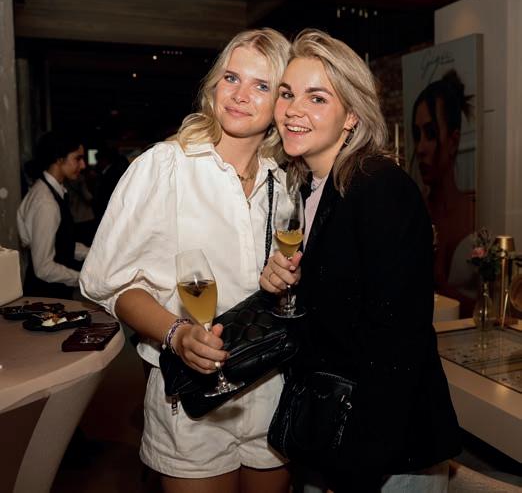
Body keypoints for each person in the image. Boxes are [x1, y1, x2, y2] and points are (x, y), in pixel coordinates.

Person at [80, 28, 293, 493]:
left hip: (271, 385)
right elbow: (110, 283)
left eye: (261, 85)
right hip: (193, 403)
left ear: (281, 102)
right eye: (231, 77)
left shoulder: (286, 184)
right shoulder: (164, 167)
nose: (239, 94)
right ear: (214, 85)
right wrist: (177, 334)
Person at [261, 29, 461, 492]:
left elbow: (398, 345)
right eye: (287, 94)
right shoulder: (308, 187)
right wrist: (281, 286)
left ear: (351, 115)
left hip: (385, 453)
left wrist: (356, 470)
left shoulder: (380, 187)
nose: (293, 110)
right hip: (335, 435)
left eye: (317, 98)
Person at [411, 70, 476, 316]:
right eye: (417, 135)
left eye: (430, 133)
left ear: (453, 140)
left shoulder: (475, 210)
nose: (420, 148)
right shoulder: (415, 213)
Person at [17, 130, 89, 299]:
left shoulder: (51, 191)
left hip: (52, 293)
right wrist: (83, 279)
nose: (83, 165)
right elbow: (44, 268)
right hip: (45, 295)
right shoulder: (46, 202)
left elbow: (62, 244)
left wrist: (95, 253)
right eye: (78, 158)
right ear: (59, 159)